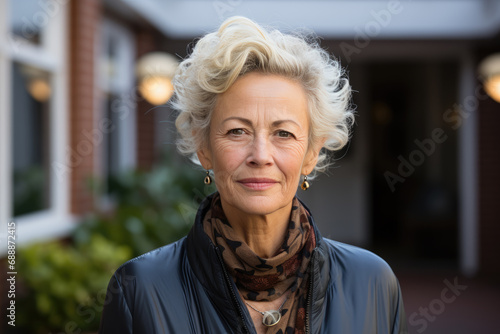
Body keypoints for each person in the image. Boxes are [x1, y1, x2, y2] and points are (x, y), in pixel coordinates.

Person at [99, 16, 407, 334]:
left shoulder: (373, 283)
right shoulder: (138, 289)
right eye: (237, 131)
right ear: (203, 147)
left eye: (283, 133)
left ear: (312, 154)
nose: (260, 156)